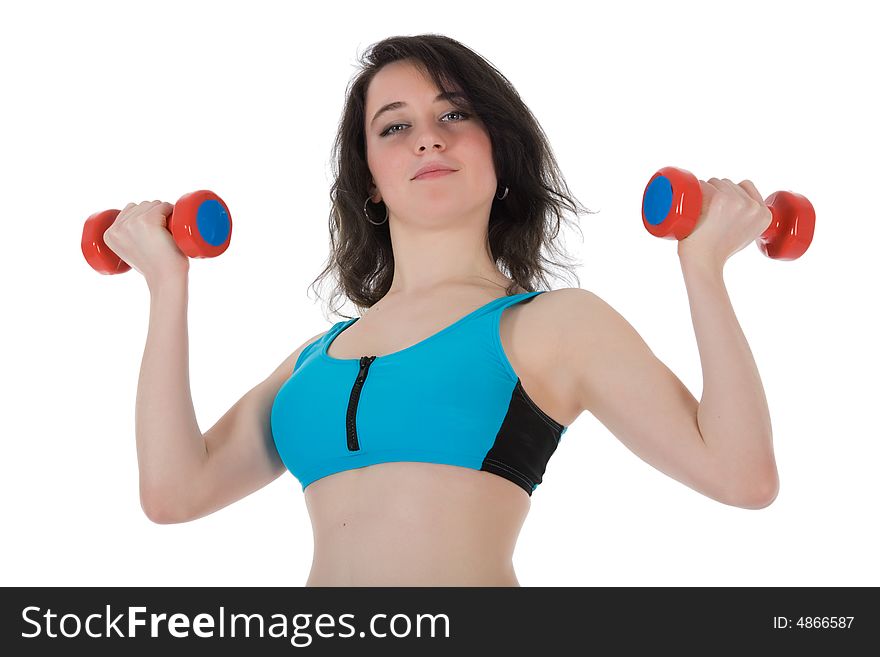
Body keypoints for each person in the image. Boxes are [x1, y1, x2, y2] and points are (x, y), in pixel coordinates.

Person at [105, 34, 779, 587]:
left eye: (455, 114)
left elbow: (741, 475)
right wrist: (167, 284)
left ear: (500, 151)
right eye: (394, 126)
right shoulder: (313, 362)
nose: (428, 138)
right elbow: (174, 493)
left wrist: (704, 268)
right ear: (369, 177)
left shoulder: (552, 326)